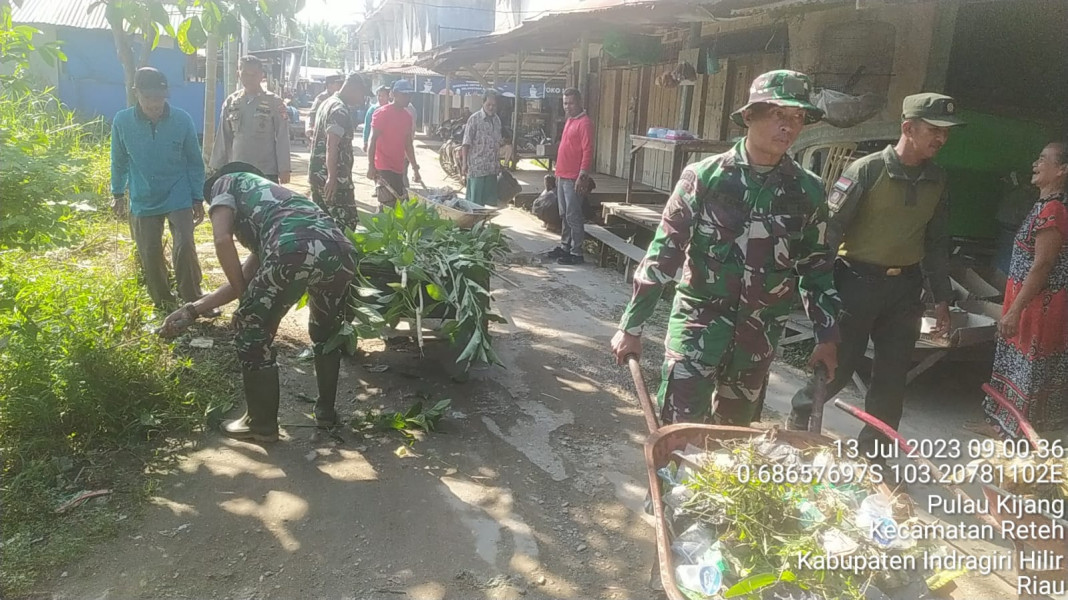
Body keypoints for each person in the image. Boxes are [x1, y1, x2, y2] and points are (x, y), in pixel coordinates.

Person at [610, 70, 840, 426]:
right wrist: (631, 326)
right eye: (778, 114)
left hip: (758, 339)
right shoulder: (705, 178)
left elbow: (817, 269)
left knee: (734, 443)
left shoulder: (807, 191)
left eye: (798, 117)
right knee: (681, 435)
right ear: (749, 116)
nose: (789, 126)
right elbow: (663, 254)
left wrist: (827, 338)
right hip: (698, 330)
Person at [787, 93, 964, 462]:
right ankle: (801, 420)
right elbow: (831, 232)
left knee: (892, 377)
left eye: (946, 132)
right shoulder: (866, 171)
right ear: (908, 128)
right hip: (856, 282)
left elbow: (936, 242)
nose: (941, 138)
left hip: (905, 290)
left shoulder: (938, 179)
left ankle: (874, 453)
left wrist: (942, 299)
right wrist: (819, 292)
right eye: (933, 129)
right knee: (838, 366)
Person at [159, 162, 358, 442]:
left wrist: (247, 306)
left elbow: (222, 239)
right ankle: (326, 412)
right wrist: (193, 309)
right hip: (341, 252)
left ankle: (261, 424)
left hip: (292, 249)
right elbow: (246, 276)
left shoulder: (224, 183)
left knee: (250, 329)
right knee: (325, 332)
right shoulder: (276, 208)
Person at [972, 141, 1068, 438]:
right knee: (1014, 364)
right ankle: (1002, 425)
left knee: (1027, 369)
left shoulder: (1054, 210)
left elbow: (1042, 265)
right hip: (1028, 302)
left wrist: (1015, 310)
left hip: (1039, 307)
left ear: (1062, 170)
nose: (1035, 164)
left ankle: (1019, 432)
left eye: (1043, 159)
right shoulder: (1043, 206)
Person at [111, 67, 206, 310]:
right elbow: (119, 161)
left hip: (178, 192)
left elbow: (195, 161)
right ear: (136, 93)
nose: (154, 104)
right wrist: (117, 193)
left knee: (185, 244)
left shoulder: (182, 120)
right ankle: (164, 302)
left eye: (159, 98)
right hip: (143, 195)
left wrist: (198, 197)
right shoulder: (122, 121)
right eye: (148, 98)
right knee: (150, 251)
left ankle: (193, 298)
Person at [210, 56, 291, 184]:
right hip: (237, 170)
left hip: (265, 171)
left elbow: (282, 137)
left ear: (261, 75)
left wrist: (284, 168)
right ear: (238, 74)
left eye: (254, 74)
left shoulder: (275, 102)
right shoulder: (231, 102)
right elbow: (223, 136)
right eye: (245, 74)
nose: (250, 78)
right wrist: (217, 166)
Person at [308, 72, 366, 230]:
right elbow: (331, 145)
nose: (362, 100)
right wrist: (332, 177)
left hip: (318, 175)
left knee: (322, 226)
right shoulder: (339, 109)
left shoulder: (327, 103)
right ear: (354, 88)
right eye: (362, 95)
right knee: (346, 225)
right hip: (335, 182)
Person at [544, 88, 594, 265]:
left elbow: (588, 150)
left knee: (573, 215)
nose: (567, 106)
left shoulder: (584, 123)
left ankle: (576, 251)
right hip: (562, 174)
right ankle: (565, 246)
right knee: (564, 214)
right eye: (565, 103)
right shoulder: (570, 120)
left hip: (574, 176)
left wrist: (583, 174)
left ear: (579, 102)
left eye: (571, 103)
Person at [367, 79, 422, 208]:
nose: (408, 98)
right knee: (387, 204)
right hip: (383, 166)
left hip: (399, 167)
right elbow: (372, 140)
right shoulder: (382, 113)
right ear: (394, 94)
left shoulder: (407, 117)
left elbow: (408, 145)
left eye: (409, 95)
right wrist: (370, 165)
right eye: (404, 94)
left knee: (400, 204)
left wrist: (415, 169)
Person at [460, 89, 503, 206]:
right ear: (483, 103)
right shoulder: (474, 119)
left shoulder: (497, 121)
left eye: (494, 105)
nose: (491, 107)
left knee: (488, 203)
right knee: (474, 203)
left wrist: (498, 163)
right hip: (477, 169)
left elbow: (497, 143)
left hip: (491, 169)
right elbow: (466, 143)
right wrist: (464, 164)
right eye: (488, 104)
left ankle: (483, 218)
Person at [306, 74, 343, 139]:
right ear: (329, 85)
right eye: (337, 84)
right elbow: (312, 114)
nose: (340, 86)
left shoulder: (340, 97)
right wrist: (309, 128)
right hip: (322, 132)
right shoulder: (321, 98)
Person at [362, 85, 391, 152]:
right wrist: (365, 142)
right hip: (375, 142)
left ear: (388, 96)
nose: (380, 98)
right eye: (379, 95)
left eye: (383, 96)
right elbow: (367, 127)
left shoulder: (392, 109)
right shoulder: (372, 110)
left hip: (389, 143)